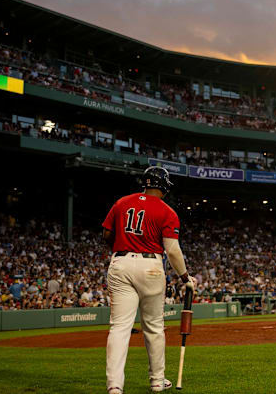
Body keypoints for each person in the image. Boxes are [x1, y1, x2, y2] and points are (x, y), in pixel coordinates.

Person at [102, 166, 196, 394]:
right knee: (154, 327)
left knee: (119, 328)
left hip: (120, 263)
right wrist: (185, 277)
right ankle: (157, 380)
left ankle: (114, 385)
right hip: (151, 266)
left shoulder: (122, 202)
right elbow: (172, 250)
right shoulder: (167, 211)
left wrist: (121, 248)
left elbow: (106, 234)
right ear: (163, 186)